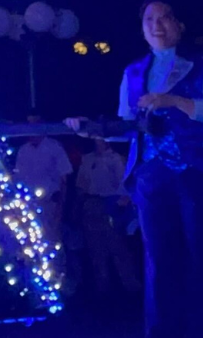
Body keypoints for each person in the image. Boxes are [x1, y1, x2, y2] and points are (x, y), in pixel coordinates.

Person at [102, 0, 203, 338]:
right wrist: (93, 128)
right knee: (159, 261)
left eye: (164, 18)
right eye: (149, 20)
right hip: (152, 174)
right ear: (142, 28)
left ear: (178, 24)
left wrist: (175, 101)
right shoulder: (133, 72)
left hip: (195, 171)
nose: (157, 25)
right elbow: (127, 124)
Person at [75, 135, 140, 296]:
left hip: (112, 203)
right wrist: (79, 206)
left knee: (118, 247)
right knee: (96, 249)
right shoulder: (88, 159)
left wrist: (122, 205)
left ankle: (131, 287)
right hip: (92, 203)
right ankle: (102, 290)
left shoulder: (116, 159)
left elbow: (125, 184)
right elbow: (81, 184)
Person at [13, 115, 73, 247]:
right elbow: (18, 178)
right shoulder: (23, 150)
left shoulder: (54, 147)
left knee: (51, 242)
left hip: (49, 204)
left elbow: (64, 179)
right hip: (28, 206)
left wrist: (60, 209)